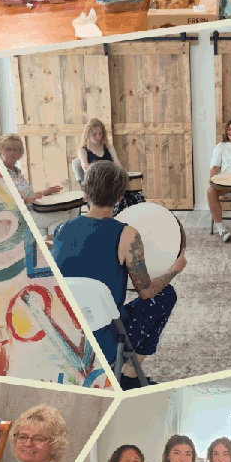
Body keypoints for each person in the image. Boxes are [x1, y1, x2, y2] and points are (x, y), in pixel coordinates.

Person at [52, 161, 186, 389]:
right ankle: (129, 375)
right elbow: (146, 291)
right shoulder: (127, 234)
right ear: (120, 198)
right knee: (166, 296)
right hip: (105, 342)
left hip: (64, 335)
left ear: (86, 194)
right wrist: (175, 269)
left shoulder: (61, 230)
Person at [74, 118, 145, 215]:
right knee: (120, 202)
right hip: (97, 186)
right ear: (87, 134)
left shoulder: (108, 147)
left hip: (112, 183)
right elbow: (86, 168)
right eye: (94, 134)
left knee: (136, 197)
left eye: (100, 133)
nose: (98, 137)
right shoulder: (83, 150)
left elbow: (117, 164)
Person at [0, 133, 66, 233]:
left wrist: (46, 192)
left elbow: (30, 196)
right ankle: (49, 243)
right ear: (0, 151)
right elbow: (3, 204)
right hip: (16, 217)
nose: (12, 152)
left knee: (66, 212)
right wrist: (26, 200)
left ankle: (48, 242)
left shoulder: (17, 172)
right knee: (61, 217)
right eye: (8, 149)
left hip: (32, 211)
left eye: (16, 150)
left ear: (20, 153)